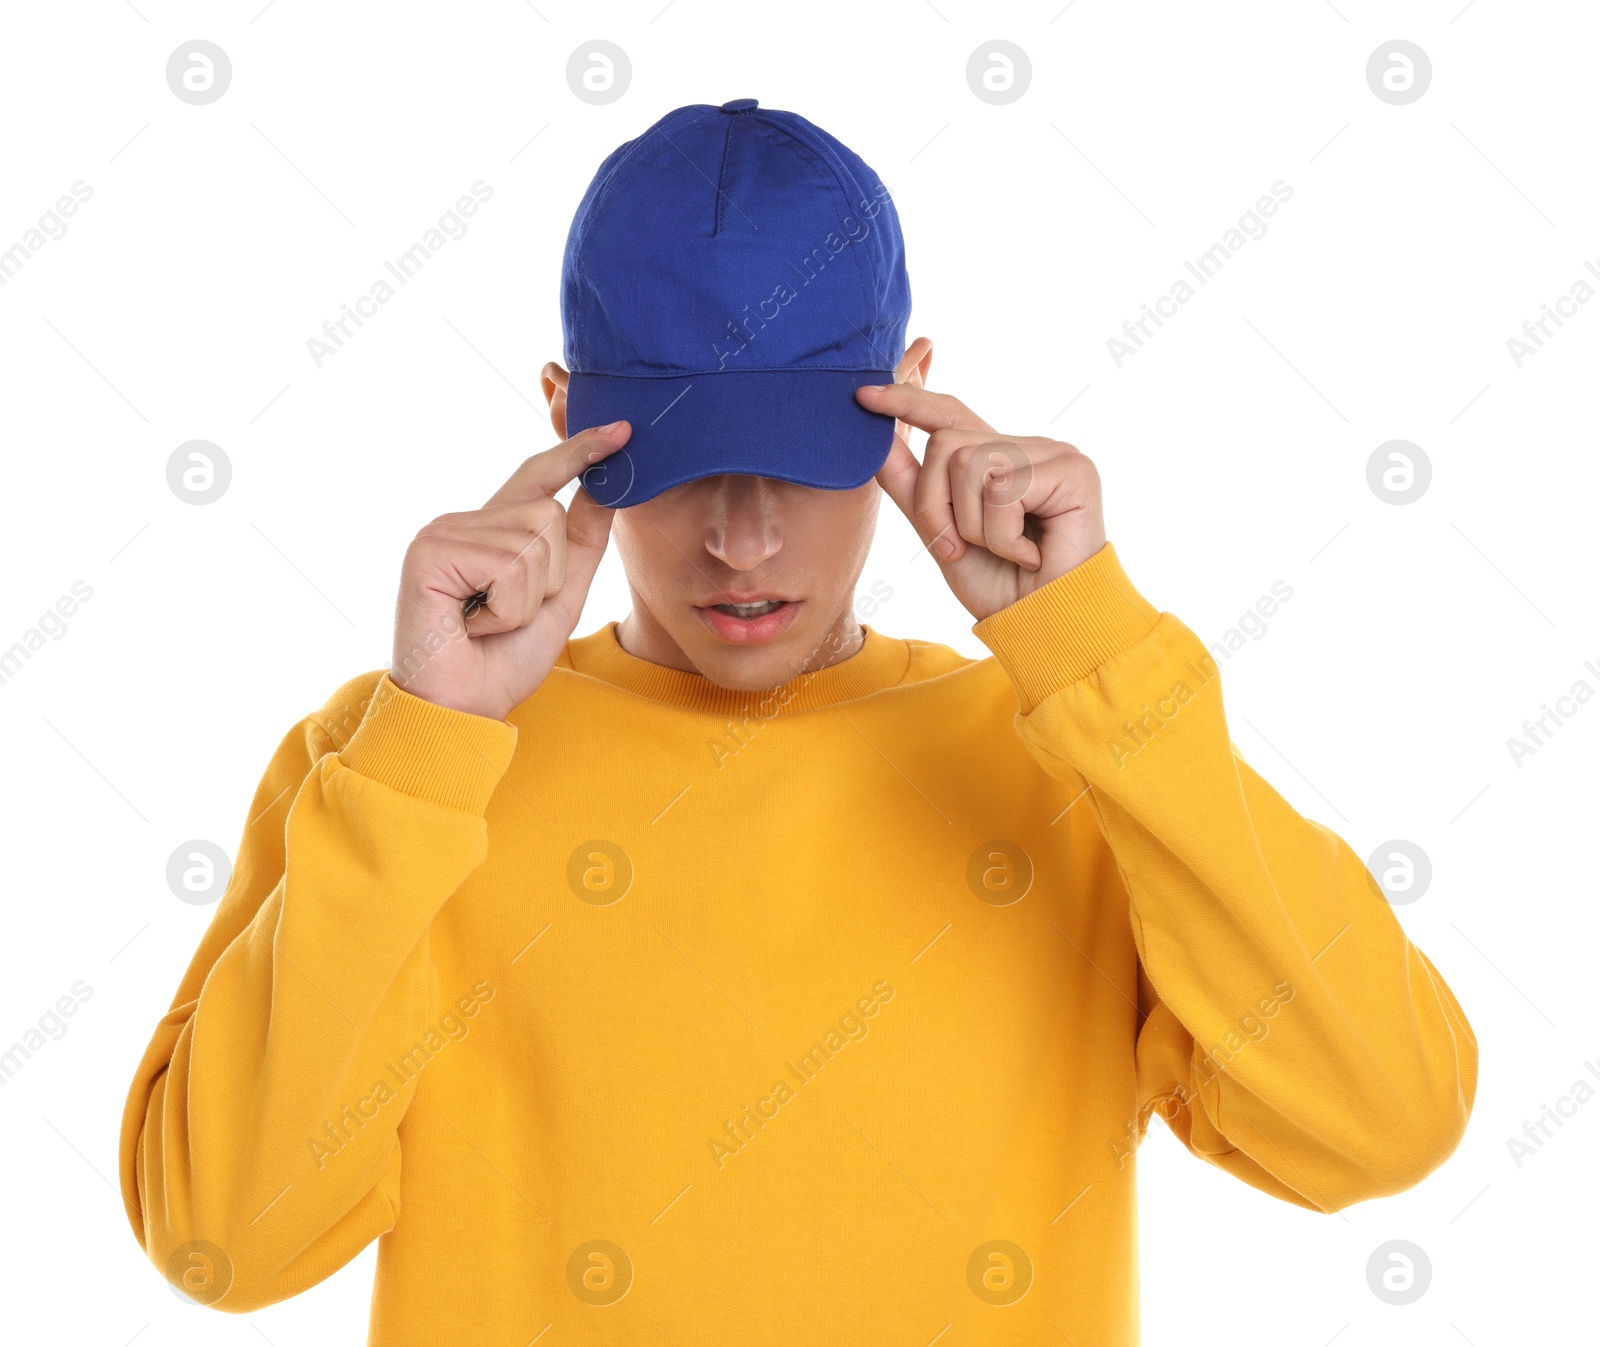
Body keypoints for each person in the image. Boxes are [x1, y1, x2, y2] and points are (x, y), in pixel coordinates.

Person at [119, 99, 1476, 1346]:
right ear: (564, 418)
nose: (745, 537)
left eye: (808, 457)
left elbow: (1382, 1126)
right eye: (684, 461)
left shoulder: (1068, 752)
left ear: (917, 391)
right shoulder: (400, 763)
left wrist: (1098, 651)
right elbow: (221, 1246)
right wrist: (424, 756)